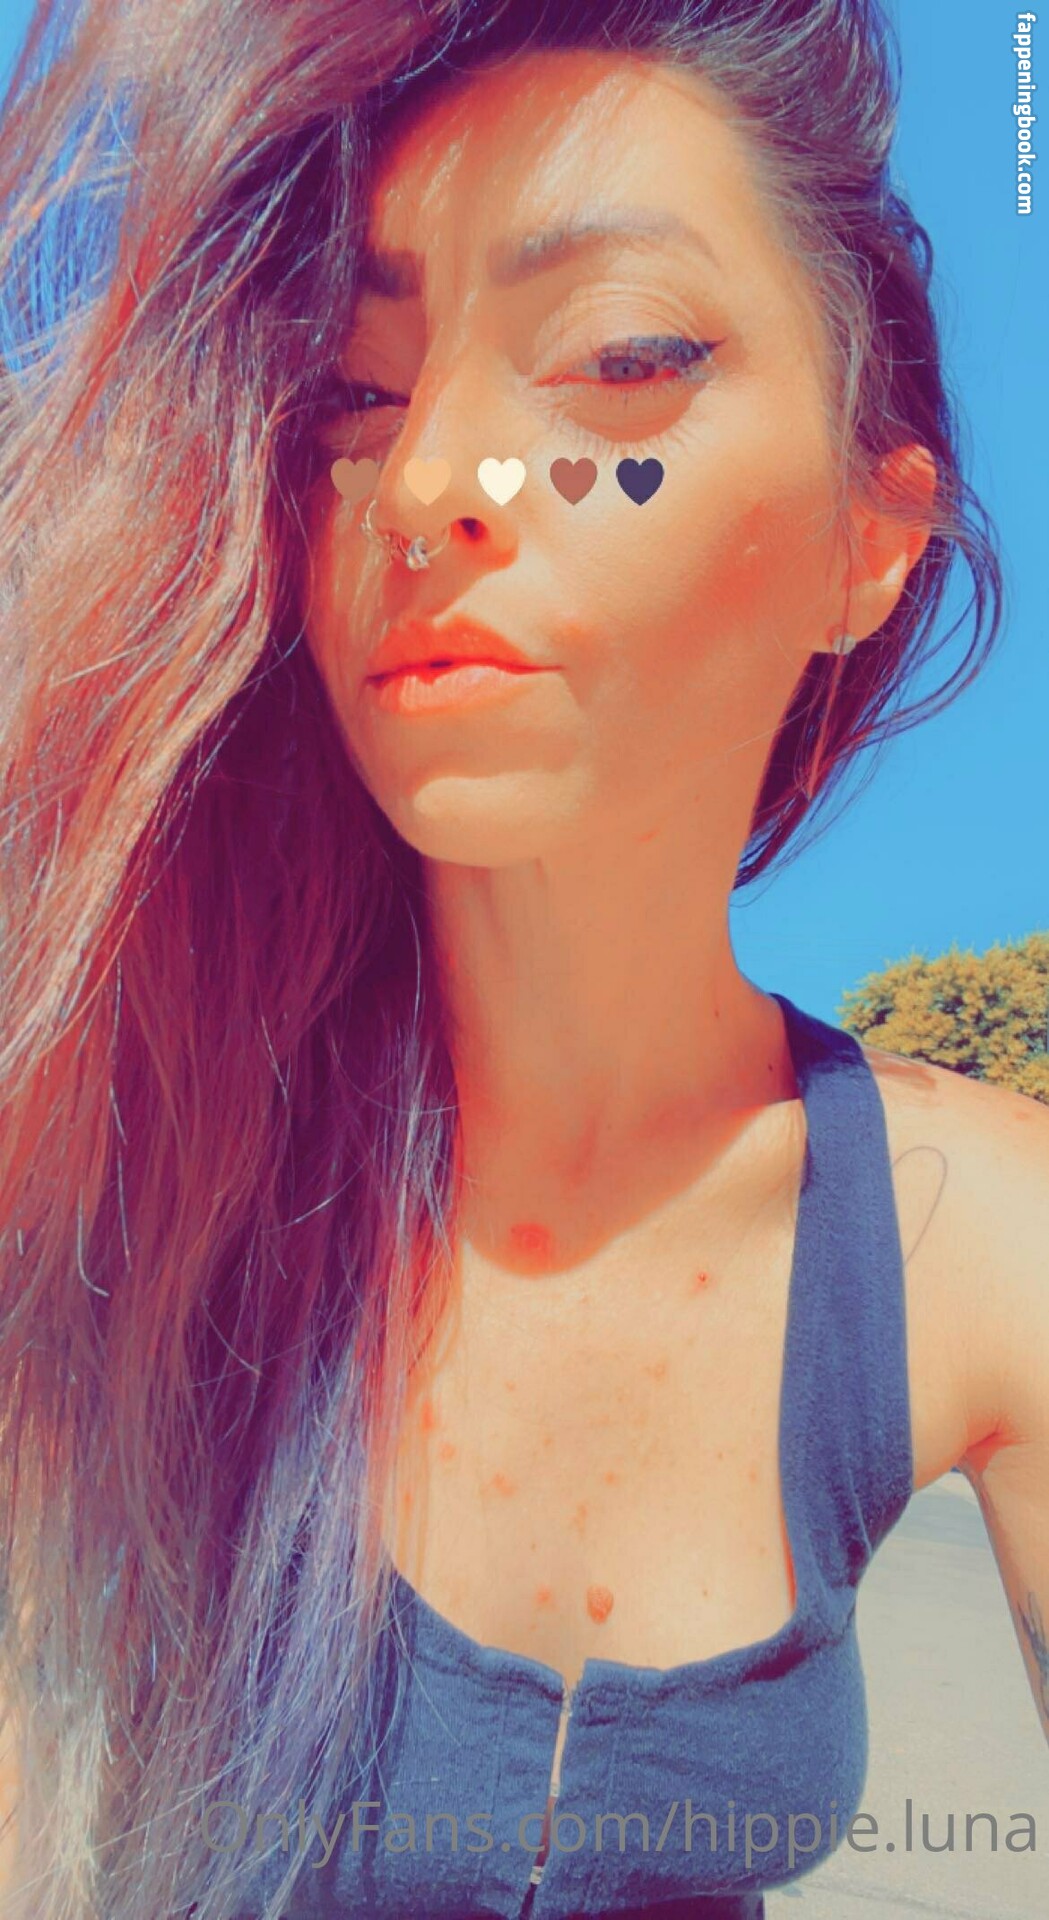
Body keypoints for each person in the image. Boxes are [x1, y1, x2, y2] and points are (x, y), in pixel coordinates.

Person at [0, 1, 1044, 1917]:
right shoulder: (118, 1165)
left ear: (866, 540)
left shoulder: (977, 1241)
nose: (425, 485)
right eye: (353, 395)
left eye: (619, 358)